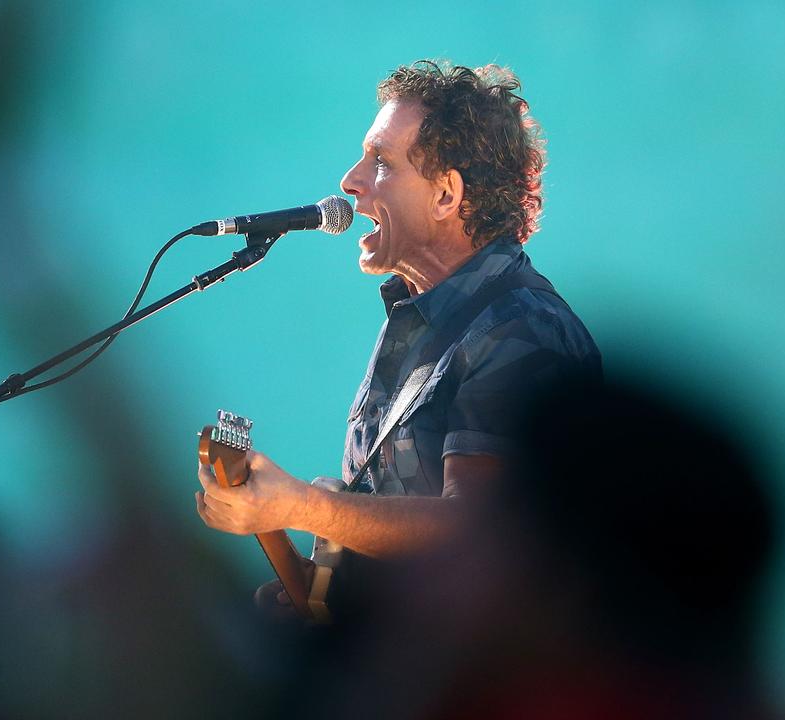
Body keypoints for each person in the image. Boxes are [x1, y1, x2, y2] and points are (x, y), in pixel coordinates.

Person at [195, 60, 601, 618]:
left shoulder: (522, 328)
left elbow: (475, 531)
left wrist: (300, 506)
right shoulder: (416, 319)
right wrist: (321, 594)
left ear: (445, 195)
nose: (350, 180)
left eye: (381, 162)